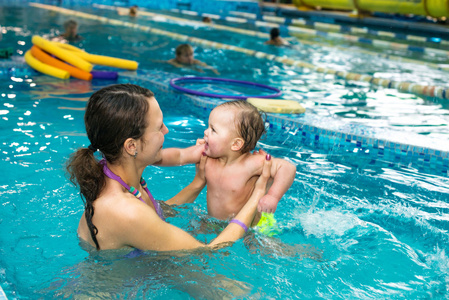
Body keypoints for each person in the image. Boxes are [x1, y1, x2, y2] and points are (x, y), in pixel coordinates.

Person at [66, 84, 271, 251]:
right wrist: (257, 195)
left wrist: (198, 183)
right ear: (131, 146)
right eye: (159, 127)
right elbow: (209, 252)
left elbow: (156, 214)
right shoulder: (124, 209)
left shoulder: (114, 175)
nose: (166, 130)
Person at [196, 100, 296, 225]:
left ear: (236, 144)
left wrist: (272, 196)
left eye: (213, 130)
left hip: (250, 228)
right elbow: (180, 157)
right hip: (214, 223)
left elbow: (288, 168)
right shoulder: (211, 159)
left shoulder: (251, 163)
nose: (205, 132)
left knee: (261, 244)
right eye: (208, 127)